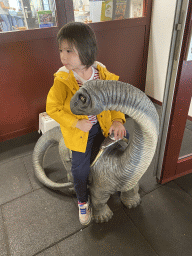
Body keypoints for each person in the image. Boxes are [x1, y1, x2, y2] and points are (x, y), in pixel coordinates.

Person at [46, 22, 128, 225]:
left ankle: (121, 182)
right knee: (80, 169)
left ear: (86, 50)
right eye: (61, 50)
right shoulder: (63, 79)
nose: (63, 56)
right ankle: (82, 200)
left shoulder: (102, 73)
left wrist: (118, 119)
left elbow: (114, 99)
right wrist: (75, 122)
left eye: (69, 51)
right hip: (81, 133)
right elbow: (53, 108)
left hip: (104, 126)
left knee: (125, 145)